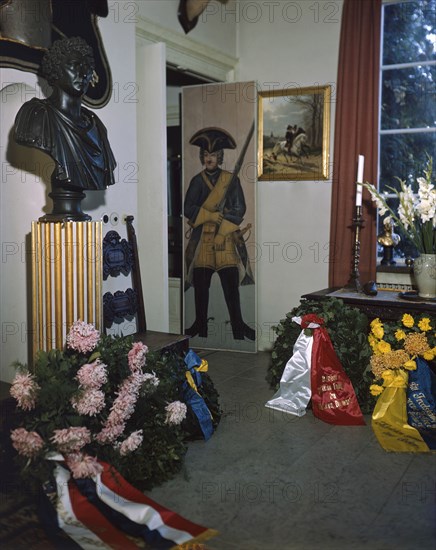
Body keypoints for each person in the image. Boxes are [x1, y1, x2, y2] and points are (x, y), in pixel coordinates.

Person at [14, 36, 116, 220]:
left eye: (87, 67)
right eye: (74, 65)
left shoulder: (97, 127)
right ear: (56, 70)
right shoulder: (36, 115)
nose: (83, 73)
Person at [184, 127, 255, 341]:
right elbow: (188, 208)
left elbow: (239, 208)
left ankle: (237, 327)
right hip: (202, 241)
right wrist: (209, 216)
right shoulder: (197, 181)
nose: (209, 159)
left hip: (224, 239)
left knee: (230, 287)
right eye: (205, 155)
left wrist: (222, 220)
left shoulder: (230, 180)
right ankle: (200, 326)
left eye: (213, 155)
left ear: (220, 157)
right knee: (201, 288)